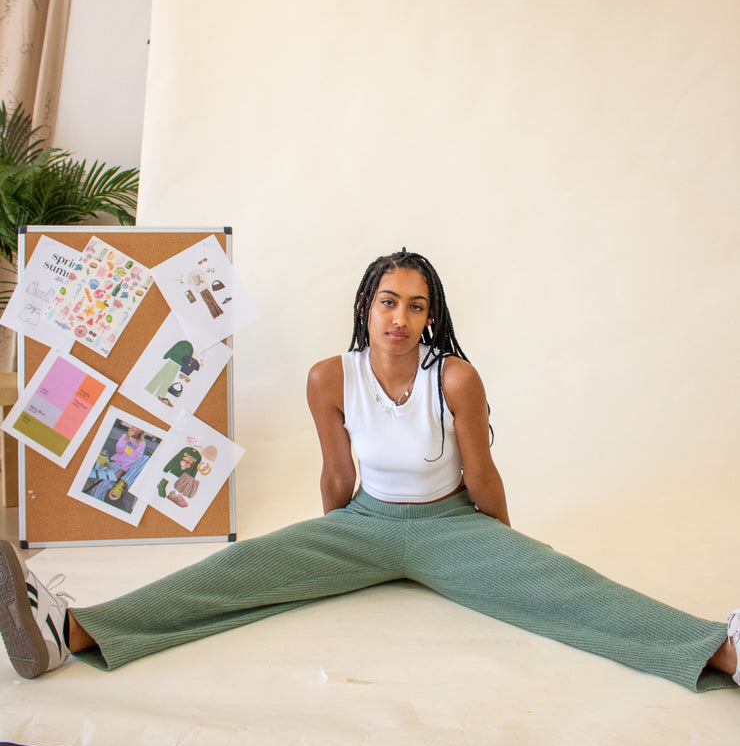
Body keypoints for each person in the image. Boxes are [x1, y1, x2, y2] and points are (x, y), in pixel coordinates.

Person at [0, 250, 738, 691]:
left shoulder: (454, 379)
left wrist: (505, 552)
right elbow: (334, 474)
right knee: (244, 566)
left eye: (416, 307)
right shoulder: (330, 377)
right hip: (364, 525)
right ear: (367, 303)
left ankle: (725, 650)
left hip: (453, 527)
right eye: (389, 301)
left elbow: (483, 475)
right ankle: (74, 632)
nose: (400, 317)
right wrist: (327, 552)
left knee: (568, 587)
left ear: (429, 318)